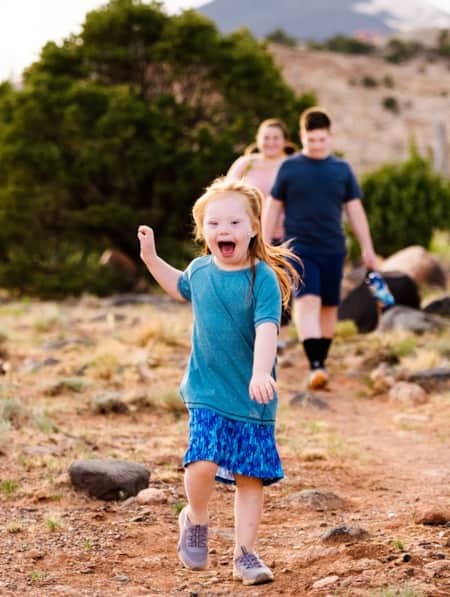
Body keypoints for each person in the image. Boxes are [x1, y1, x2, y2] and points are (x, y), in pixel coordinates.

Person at [138, 178, 300, 585]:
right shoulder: (200, 270)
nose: (222, 230)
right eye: (213, 224)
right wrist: (150, 257)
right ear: (203, 231)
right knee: (204, 460)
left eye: (233, 222)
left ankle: (245, 555)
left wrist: (261, 372)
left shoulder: (260, 278)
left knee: (249, 477)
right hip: (206, 388)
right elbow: (178, 285)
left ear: (253, 229)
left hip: (252, 396)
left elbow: (267, 328)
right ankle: (195, 517)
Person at [263, 107, 378, 390]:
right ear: (302, 137)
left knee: (329, 308)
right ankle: (315, 364)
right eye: (310, 140)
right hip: (300, 247)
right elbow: (273, 206)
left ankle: (320, 364)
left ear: (331, 136)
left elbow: (355, 211)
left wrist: (368, 248)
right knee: (308, 301)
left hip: (334, 248)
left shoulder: (342, 170)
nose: (316, 145)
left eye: (321, 140)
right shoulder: (289, 168)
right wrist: (265, 245)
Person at [226, 118, 296, 244]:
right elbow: (225, 194)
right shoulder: (245, 163)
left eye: (276, 138)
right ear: (258, 139)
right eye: (266, 137)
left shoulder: (294, 165)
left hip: (287, 238)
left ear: (285, 141)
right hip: (248, 235)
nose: (270, 142)